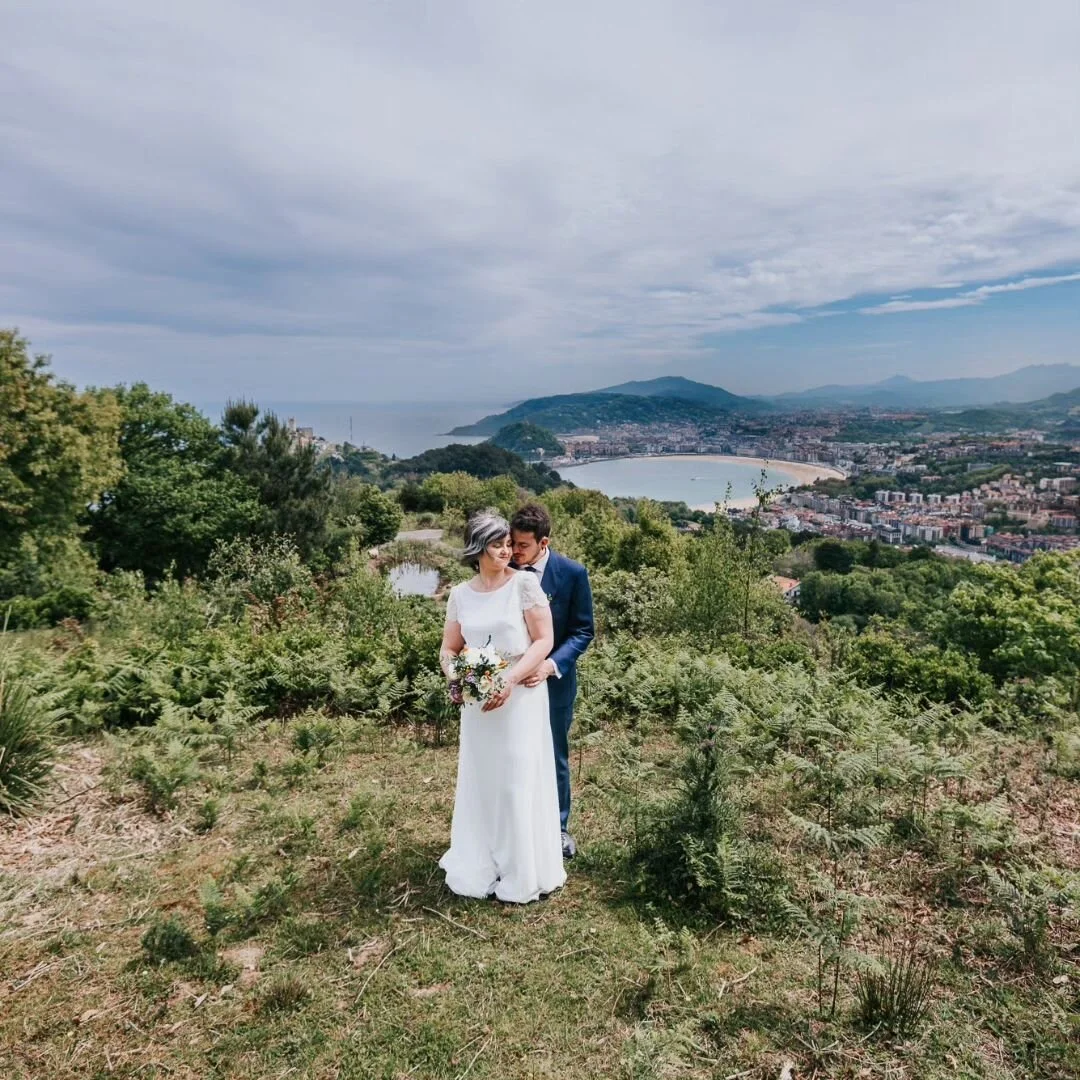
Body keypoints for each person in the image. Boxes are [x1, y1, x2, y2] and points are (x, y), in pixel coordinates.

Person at [438, 508, 566, 904]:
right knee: (484, 779)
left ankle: (522, 868)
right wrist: (457, 678)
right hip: (479, 707)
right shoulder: (460, 595)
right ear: (478, 548)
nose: (507, 550)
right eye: (499, 544)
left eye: (510, 543)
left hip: (521, 696)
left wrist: (507, 681)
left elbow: (544, 641)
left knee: (515, 779)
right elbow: (448, 649)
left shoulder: (524, 586)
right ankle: (484, 860)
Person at [510, 503, 595, 860]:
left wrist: (550, 666)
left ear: (543, 542)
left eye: (523, 545)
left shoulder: (572, 573)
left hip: (554, 682)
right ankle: (515, 824)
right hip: (511, 682)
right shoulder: (506, 571)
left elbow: (583, 630)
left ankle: (558, 827)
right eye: (512, 543)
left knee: (554, 753)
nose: (514, 552)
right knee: (513, 753)